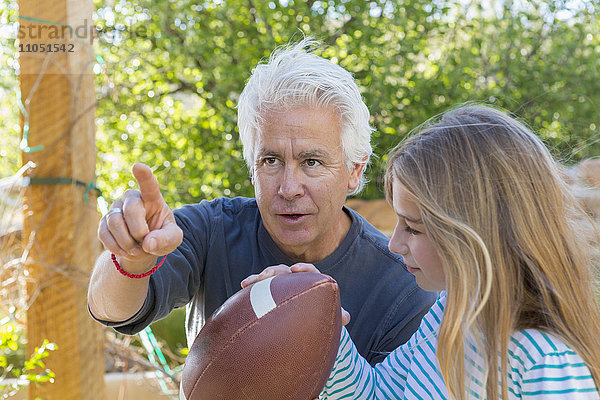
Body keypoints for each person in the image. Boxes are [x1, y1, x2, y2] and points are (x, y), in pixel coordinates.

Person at [87, 38, 437, 366]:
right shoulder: (212, 230)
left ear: (353, 172)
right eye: (271, 161)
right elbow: (110, 309)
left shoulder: (401, 287)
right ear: (252, 167)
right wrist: (130, 257)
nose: (288, 188)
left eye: (311, 162)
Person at [246, 104, 600, 399]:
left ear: (473, 233)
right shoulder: (449, 315)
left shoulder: (543, 363)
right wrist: (325, 331)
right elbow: (375, 394)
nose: (394, 243)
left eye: (413, 228)